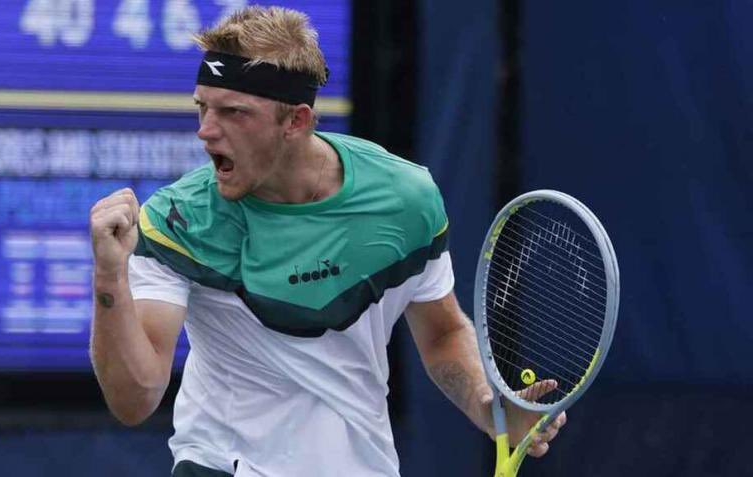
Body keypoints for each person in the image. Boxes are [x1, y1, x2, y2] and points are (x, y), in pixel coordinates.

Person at [88, 6, 566, 477]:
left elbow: (442, 334)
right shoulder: (178, 219)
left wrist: (486, 406)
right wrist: (109, 277)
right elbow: (134, 399)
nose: (206, 131)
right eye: (203, 107)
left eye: (233, 112)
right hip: (223, 465)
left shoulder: (404, 201)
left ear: (296, 122)